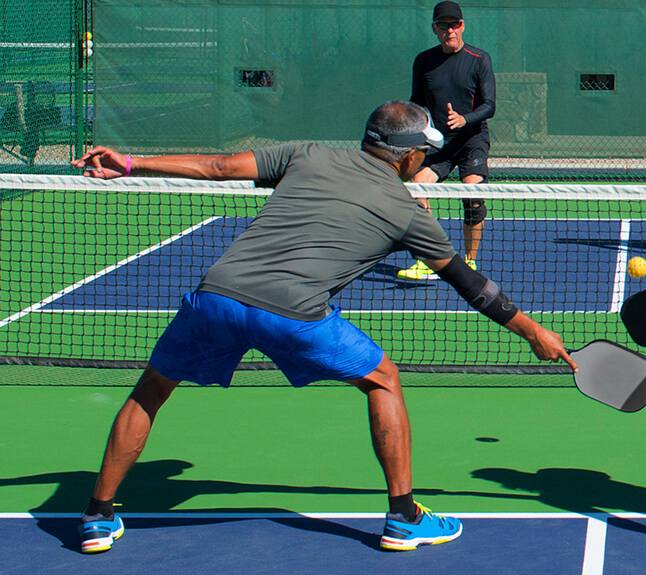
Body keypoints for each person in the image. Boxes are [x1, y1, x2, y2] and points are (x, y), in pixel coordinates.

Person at [69, 100, 576, 555]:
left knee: (153, 388)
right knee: (383, 379)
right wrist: (534, 332)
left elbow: (218, 167)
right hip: (294, 313)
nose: (424, 161)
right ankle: (403, 517)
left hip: (217, 296)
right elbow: (472, 285)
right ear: (404, 157)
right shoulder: (408, 211)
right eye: (422, 152)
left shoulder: (307, 153)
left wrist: (130, 163)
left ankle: (96, 515)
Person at [399, 0, 496, 281]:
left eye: (455, 25)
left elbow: (490, 105)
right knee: (416, 191)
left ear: (462, 26)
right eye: (444, 26)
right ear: (435, 29)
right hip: (439, 144)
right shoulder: (424, 61)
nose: (450, 30)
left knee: (472, 195)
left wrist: (465, 119)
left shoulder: (479, 59)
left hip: (472, 141)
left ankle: (469, 261)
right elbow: (416, 102)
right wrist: (414, 129)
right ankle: (430, 260)